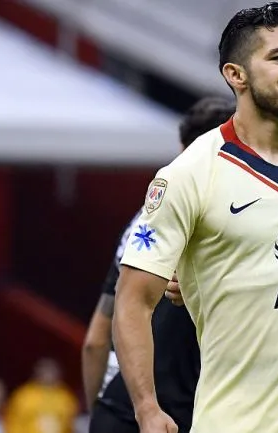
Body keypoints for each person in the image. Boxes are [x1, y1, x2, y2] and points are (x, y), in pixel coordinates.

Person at [113, 3, 278, 433]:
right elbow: (132, 301)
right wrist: (147, 408)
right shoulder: (188, 175)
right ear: (235, 75)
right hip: (237, 421)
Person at [82, 96, 237, 433]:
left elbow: (96, 338)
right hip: (196, 414)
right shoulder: (248, 218)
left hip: (126, 410)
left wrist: (100, 412)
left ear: (183, 148)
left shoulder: (144, 221)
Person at [3, 358, 78, 433]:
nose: (48, 374)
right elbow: (13, 422)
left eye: (51, 371)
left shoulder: (66, 397)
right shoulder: (23, 395)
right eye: (45, 371)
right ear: (37, 372)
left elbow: (71, 424)